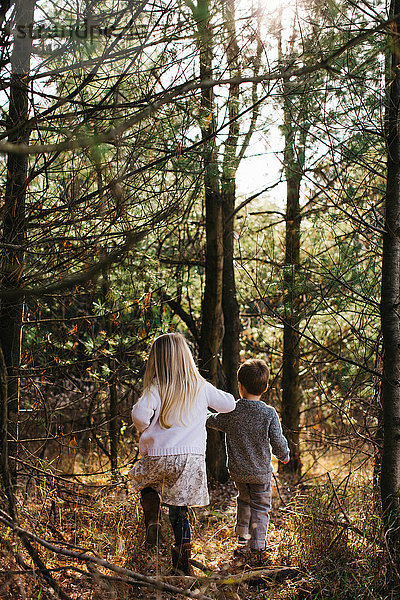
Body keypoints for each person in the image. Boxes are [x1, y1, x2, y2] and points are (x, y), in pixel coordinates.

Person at [129, 332, 235, 575]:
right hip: (189, 460)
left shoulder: (155, 387)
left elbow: (139, 415)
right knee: (179, 508)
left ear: (156, 360)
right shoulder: (199, 386)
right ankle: (181, 562)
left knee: (147, 485)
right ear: (186, 357)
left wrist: (145, 428)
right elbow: (229, 404)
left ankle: (153, 520)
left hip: (157, 456)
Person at [207, 358, 290, 561]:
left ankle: (242, 539)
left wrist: (199, 412)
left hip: (238, 472)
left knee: (244, 501)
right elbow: (277, 440)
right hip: (260, 472)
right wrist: (284, 456)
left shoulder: (232, 411)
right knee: (261, 506)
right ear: (266, 387)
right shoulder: (269, 413)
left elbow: (212, 421)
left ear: (240, 386)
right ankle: (258, 546)